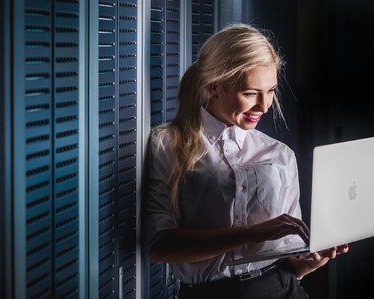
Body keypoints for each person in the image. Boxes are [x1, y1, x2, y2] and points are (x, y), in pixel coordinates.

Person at [144, 23, 349, 299]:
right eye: (251, 93)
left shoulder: (280, 154)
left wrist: (310, 261)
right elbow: (160, 247)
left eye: (271, 91)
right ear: (215, 87)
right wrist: (252, 233)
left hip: (282, 289)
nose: (264, 106)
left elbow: (290, 258)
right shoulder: (167, 145)